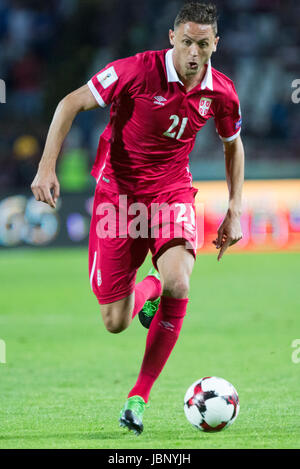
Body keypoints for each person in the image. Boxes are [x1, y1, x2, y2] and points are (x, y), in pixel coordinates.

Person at [31, 2, 244, 435]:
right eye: (186, 42)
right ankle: (148, 287)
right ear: (172, 39)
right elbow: (69, 103)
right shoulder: (134, 71)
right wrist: (46, 166)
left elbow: (232, 145)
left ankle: (138, 397)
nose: (193, 53)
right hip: (118, 199)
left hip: (171, 194)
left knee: (180, 281)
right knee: (116, 322)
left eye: (203, 44)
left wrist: (233, 209)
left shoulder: (222, 92)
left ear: (215, 45)